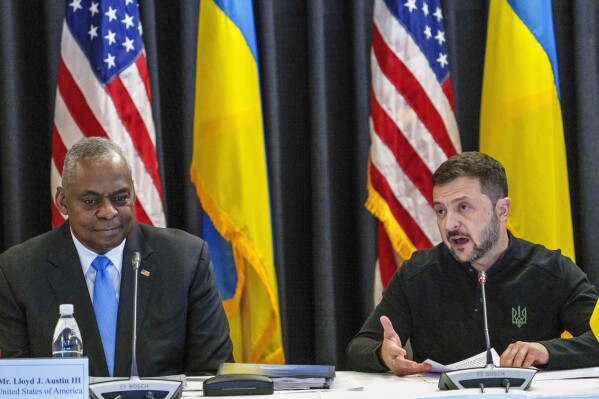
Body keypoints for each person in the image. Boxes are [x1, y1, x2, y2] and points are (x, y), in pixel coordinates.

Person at [347, 151, 599, 375]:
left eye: (463, 207)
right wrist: (383, 353)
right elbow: (360, 346)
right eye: (441, 211)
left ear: (502, 210)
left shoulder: (551, 269)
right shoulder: (418, 273)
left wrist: (545, 352)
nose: (449, 224)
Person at [0, 137, 233, 377]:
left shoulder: (186, 260)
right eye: (91, 201)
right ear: (62, 201)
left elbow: (213, 373)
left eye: (121, 198)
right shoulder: (19, 271)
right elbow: (19, 382)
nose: (108, 212)